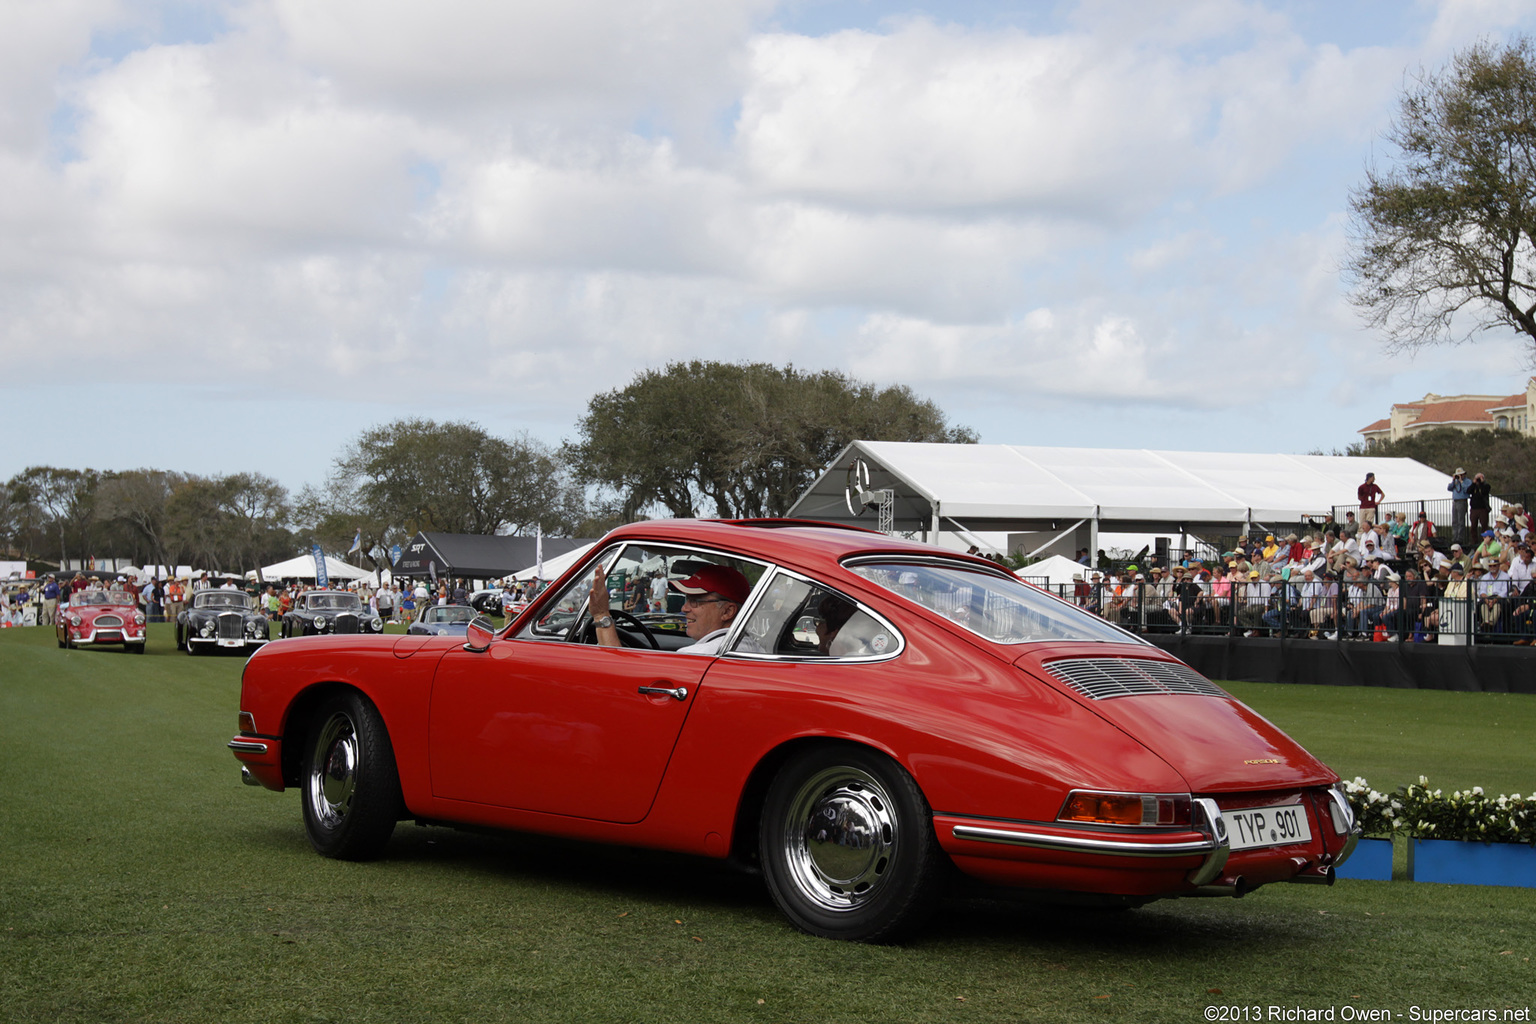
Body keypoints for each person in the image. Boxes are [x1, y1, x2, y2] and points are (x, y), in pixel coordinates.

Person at [588, 562, 753, 655]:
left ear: (727, 612)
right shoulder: (751, 647)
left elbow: (621, 678)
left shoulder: (700, 655)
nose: (684, 607)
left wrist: (601, 616)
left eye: (695, 601)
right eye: (687, 599)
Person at [1468, 472, 1492, 538]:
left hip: (1483, 508)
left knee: (1484, 525)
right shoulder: (1474, 486)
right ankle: (1474, 541)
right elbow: (1468, 491)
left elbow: (1485, 491)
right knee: (1473, 526)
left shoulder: (1486, 486)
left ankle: (1484, 540)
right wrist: (1473, 483)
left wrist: (1482, 483)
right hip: (1474, 509)